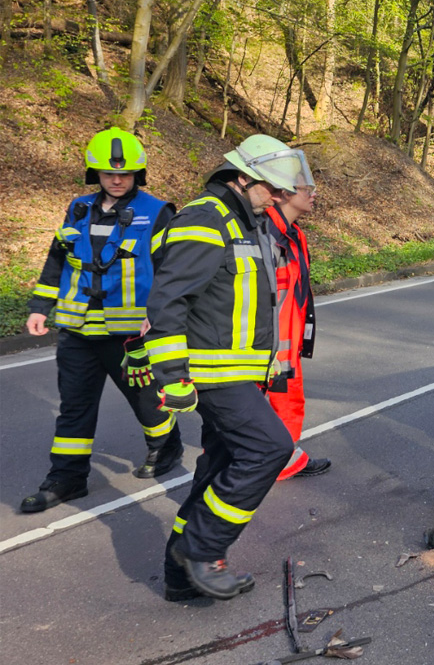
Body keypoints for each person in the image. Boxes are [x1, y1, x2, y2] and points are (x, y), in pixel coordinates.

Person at [145, 134, 311, 602]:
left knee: (217, 469)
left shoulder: (244, 221)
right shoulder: (205, 218)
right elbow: (168, 301)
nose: (278, 197)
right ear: (242, 177)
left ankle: (179, 576)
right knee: (269, 448)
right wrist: (173, 375)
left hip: (240, 372)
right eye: (272, 188)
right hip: (212, 373)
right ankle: (202, 550)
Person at [21, 128, 183, 513]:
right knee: (74, 406)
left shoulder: (158, 212)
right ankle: (67, 478)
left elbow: (171, 272)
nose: (117, 179)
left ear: (138, 174)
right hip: (77, 329)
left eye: (125, 173)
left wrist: (160, 318)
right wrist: (40, 306)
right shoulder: (78, 208)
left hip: (130, 333)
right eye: (109, 173)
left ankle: (166, 445)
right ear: (94, 172)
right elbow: (57, 260)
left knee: (145, 399)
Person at [265, 173, 330, 480]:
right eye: (307, 188)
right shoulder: (262, 233)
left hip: (286, 340)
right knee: (239, 409)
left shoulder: (293, 234)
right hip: (262, 343)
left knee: (288, 402)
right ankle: (230, 464)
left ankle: (284, 459)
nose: (314, 194)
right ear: (283, 193)